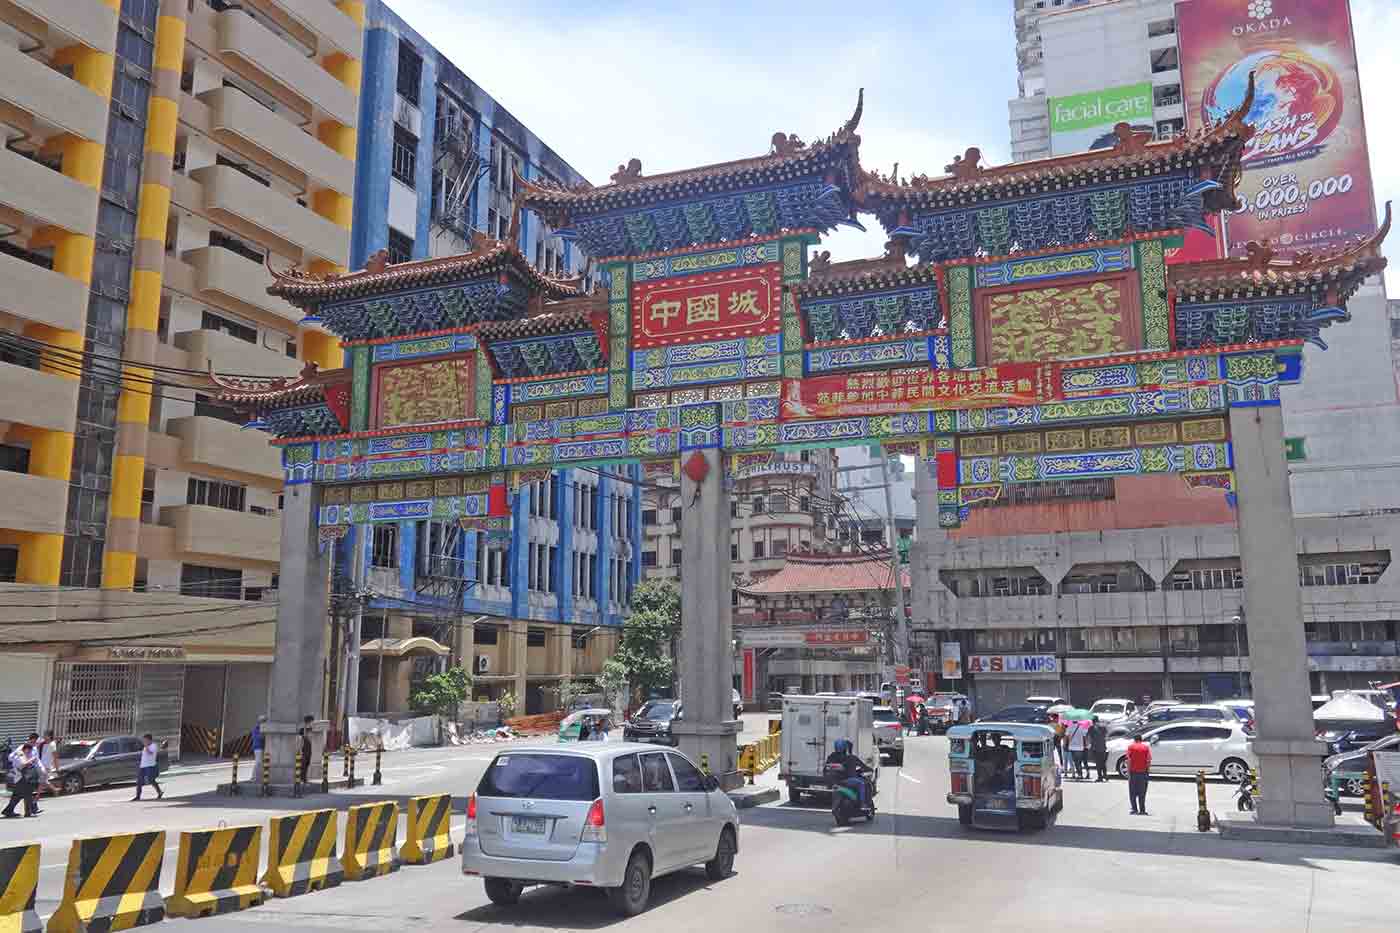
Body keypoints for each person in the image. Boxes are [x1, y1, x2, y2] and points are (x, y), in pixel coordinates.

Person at [825, 738, 874, 808]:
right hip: (847, 780)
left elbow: (827, 767)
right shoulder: (850, 757)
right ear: (845, 747)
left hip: (835, 781)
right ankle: (863, 804)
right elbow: (863, 766)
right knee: (862, 784)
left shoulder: (832, 756)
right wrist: (871, 769)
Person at [3, 740, 43, 818]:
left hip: (20, 778)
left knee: (17, 796)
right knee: (27, 795)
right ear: (26, 749)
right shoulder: (20, 754)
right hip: (22, 778)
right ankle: (28, 812)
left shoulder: (20, 753)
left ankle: (8, 811)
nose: (29, 753)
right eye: (29, 751)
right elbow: (22, 764)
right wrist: (31, 760)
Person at [1126, 732, 1152, 815]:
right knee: (1142, 793)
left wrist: (1129, 771)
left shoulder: (1131, 747)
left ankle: (1134, 809)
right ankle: (1142, 810)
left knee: (1132, 792)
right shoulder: (1146, 747)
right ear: (1141, 739)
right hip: (1143, 773)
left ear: (1134, 740)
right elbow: (1148, 760)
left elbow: (1128, 760)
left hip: (1133, 773)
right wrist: (1147, 770)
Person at [132, 734, 163, 801]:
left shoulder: (153, 746)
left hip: (150, 766)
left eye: (145, 740)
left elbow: (150, 753)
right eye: (144, 740)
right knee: (139, 781)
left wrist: (146, 746)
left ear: (149, 740)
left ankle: (159, 792)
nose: (144, 741)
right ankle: (138, 796)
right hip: (143, 766)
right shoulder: (146, 747)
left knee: (151, 780)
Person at [1089, 716, 1109, 782]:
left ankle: (1100, 777)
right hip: (1103, 747)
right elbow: (1106, 736)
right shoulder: (1103, 727)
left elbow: (1090, 738)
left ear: (1092, 721)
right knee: (1103, 762)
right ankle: (1105, 776)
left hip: (1095, 748)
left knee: (1098, 763)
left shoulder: (1091, 728)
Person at [299, 715, 314, 783]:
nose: (312, 723)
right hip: (304, 749)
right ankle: (302, 778)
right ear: (308, 722)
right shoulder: (302, 730)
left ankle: (304, 778)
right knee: (303, 764)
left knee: (307, 764)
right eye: (311, 722)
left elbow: (310, 738)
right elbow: (300, 740)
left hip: (309, 749)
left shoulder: (310, 729)